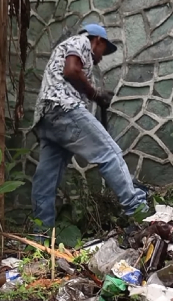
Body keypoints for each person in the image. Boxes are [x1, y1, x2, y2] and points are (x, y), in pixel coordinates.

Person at [31, 24, 148, 234]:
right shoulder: (81, 41)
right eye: (104, 50)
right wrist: (95, 95)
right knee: (110, 154)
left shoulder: (70, 52)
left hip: (47, 118)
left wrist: (96, 98)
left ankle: (40, 237)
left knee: (45, 182)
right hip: (63, 108)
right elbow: (71, 71)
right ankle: (139, 211)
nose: (101, 58)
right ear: (98, 41)